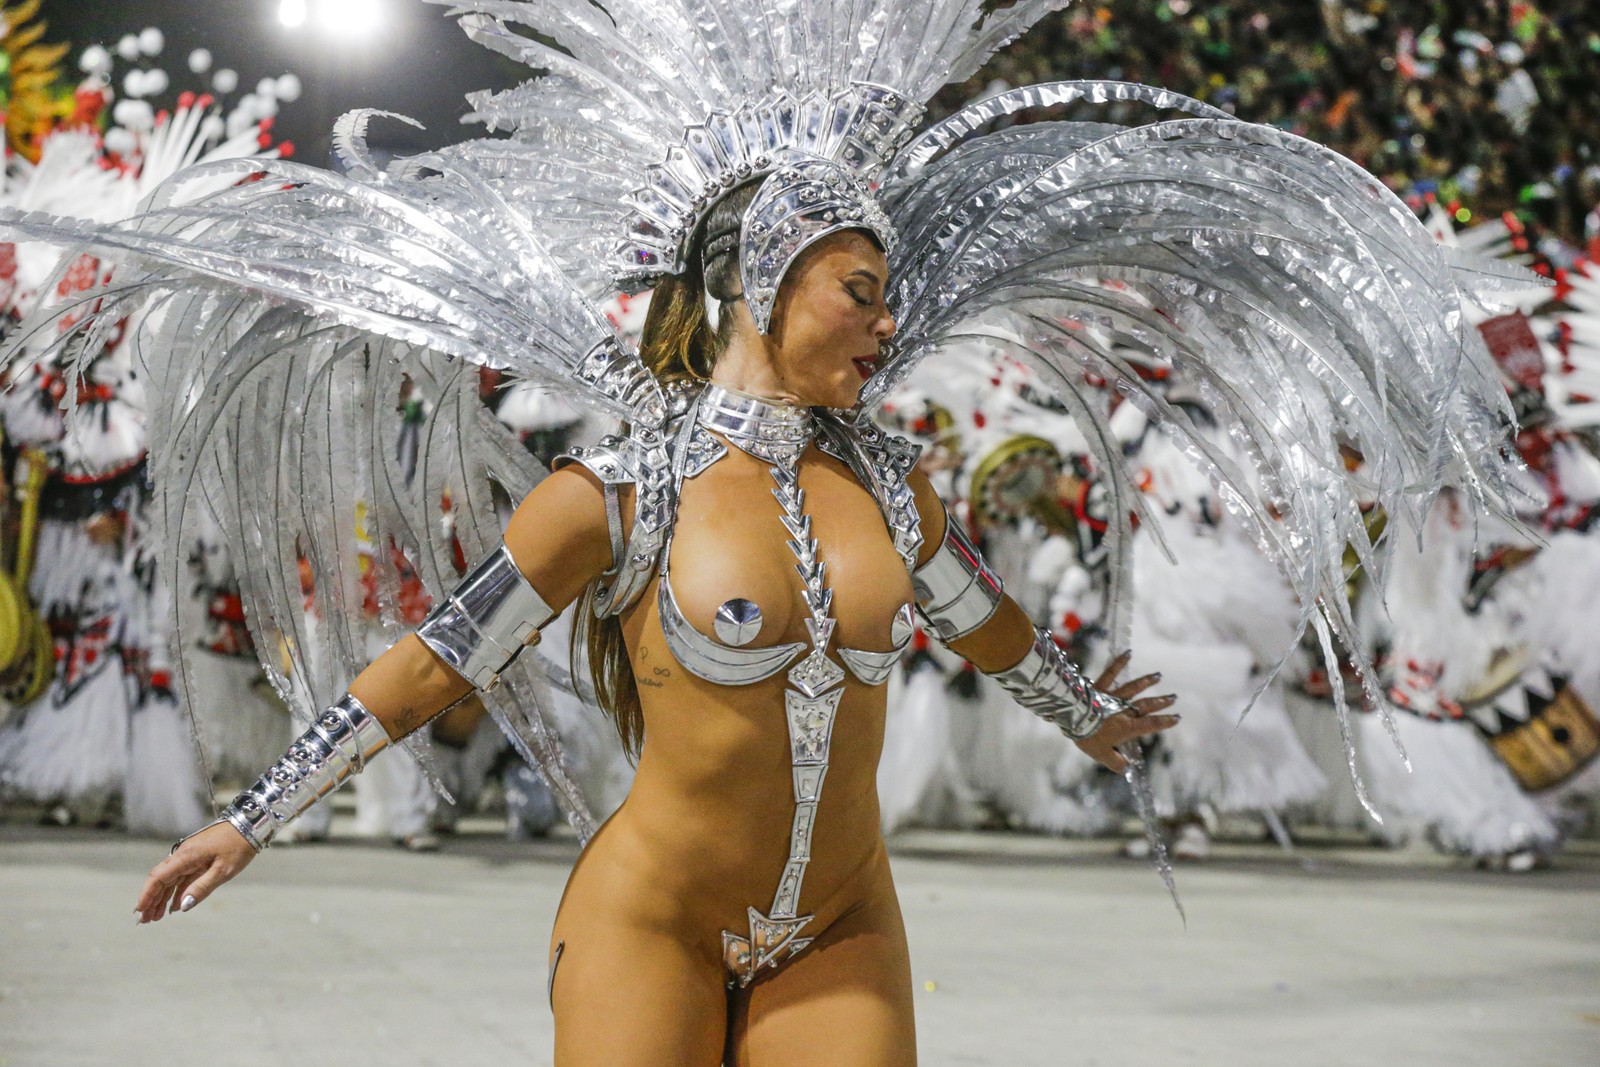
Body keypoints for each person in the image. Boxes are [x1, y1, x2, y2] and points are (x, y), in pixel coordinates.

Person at [0, 3, 1526, 1065]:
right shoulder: (612, 495)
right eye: (859, 288)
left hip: (842, 919)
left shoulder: (898, 482)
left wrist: (1084, 709)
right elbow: (425, 670)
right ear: (763, 282)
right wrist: (249, 818)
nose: (888, 320)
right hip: (653, 925)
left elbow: (979, 619)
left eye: (890, 293)